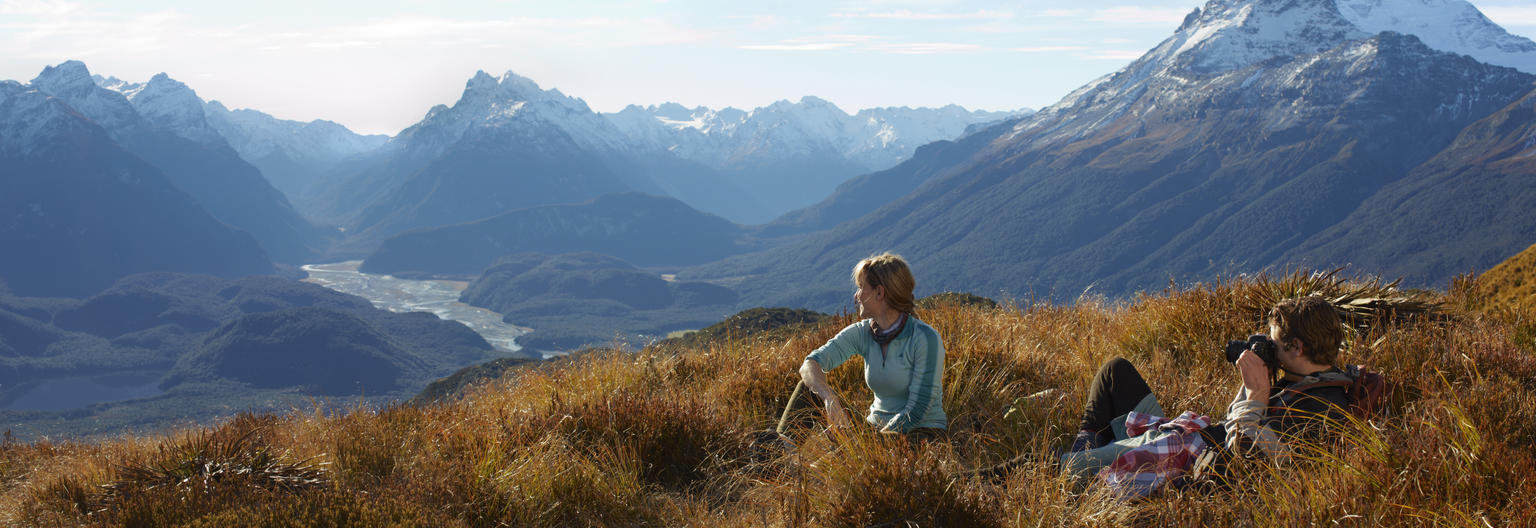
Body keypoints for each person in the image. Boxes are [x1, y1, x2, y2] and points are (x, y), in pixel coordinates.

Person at [1060, 295, 1352, 484]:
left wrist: (1257, 394)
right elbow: (1233, 419)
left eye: (1275, 344)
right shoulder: (1307, 379)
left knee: (1061, 468)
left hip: (1180, 457)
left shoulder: (1318, 409)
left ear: (1297, 347)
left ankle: (1079, 461)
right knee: (1116, 371)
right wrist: (1253, 384)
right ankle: (1087, 447)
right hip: (1186, 438)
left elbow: (1246, 455)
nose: (1272, 351)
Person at [781, 252, 947, 440]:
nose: (857, 295)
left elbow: (918, 410)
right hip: (875, 432)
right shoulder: (862, 332)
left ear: (879, 293)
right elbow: (810, 364)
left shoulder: (924, 338)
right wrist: (829, 398)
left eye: (861, 287)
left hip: (919, 434)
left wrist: (872, 444)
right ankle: (780, 453)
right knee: (809, 390)